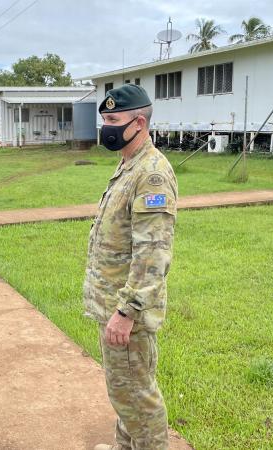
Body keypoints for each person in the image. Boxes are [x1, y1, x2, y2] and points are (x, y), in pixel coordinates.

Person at [84, 84, 177, 450]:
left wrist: (127, 312)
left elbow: (153, 253)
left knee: (138, 399)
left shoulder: (151, 174)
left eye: (113, 120)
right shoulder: (129, 164)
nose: (106, 128)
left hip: (126, 312)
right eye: (105, 120)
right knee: (125, 393)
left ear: (139, 123)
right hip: (114, 305)